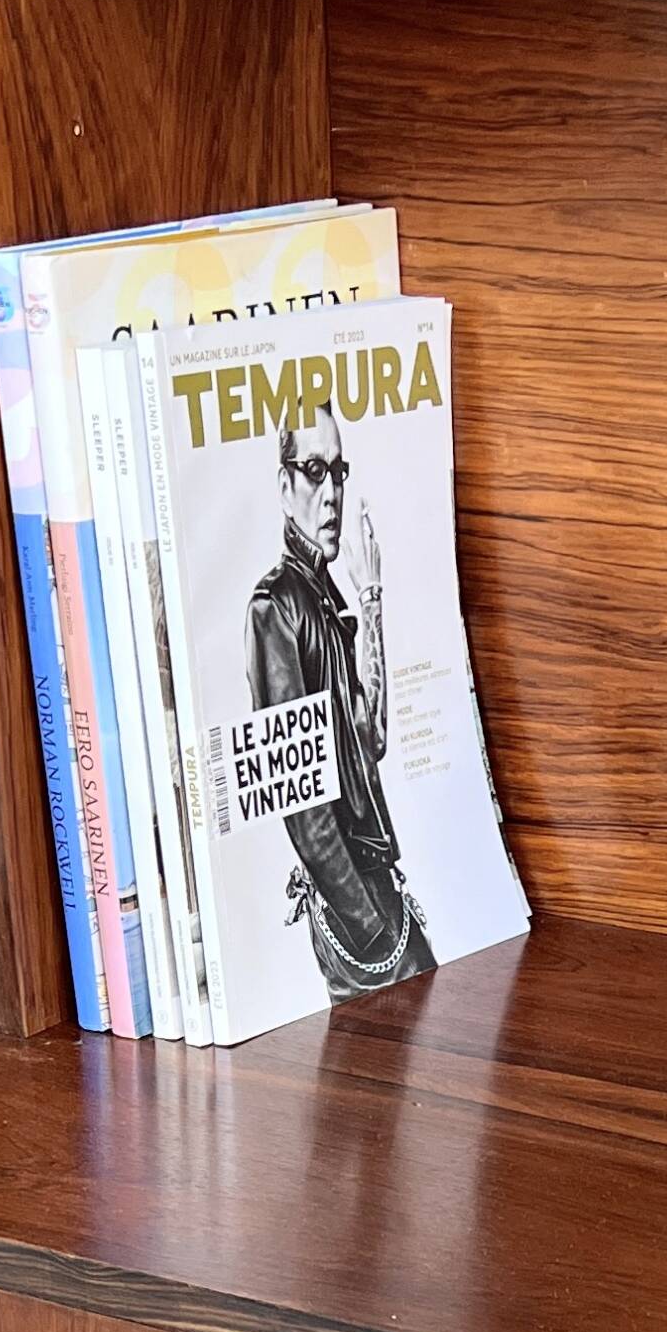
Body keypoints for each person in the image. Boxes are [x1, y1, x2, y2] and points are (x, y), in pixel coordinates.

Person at [244, 411, 434, 999]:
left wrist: (371, 599)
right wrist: (368, 922)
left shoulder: (325, 596)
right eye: (314, 471)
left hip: (376, 884)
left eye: (339, 473)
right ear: (285, 487)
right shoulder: (275, 607)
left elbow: (371, 736)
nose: (332, 494)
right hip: (354, 902)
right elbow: (298, 798)